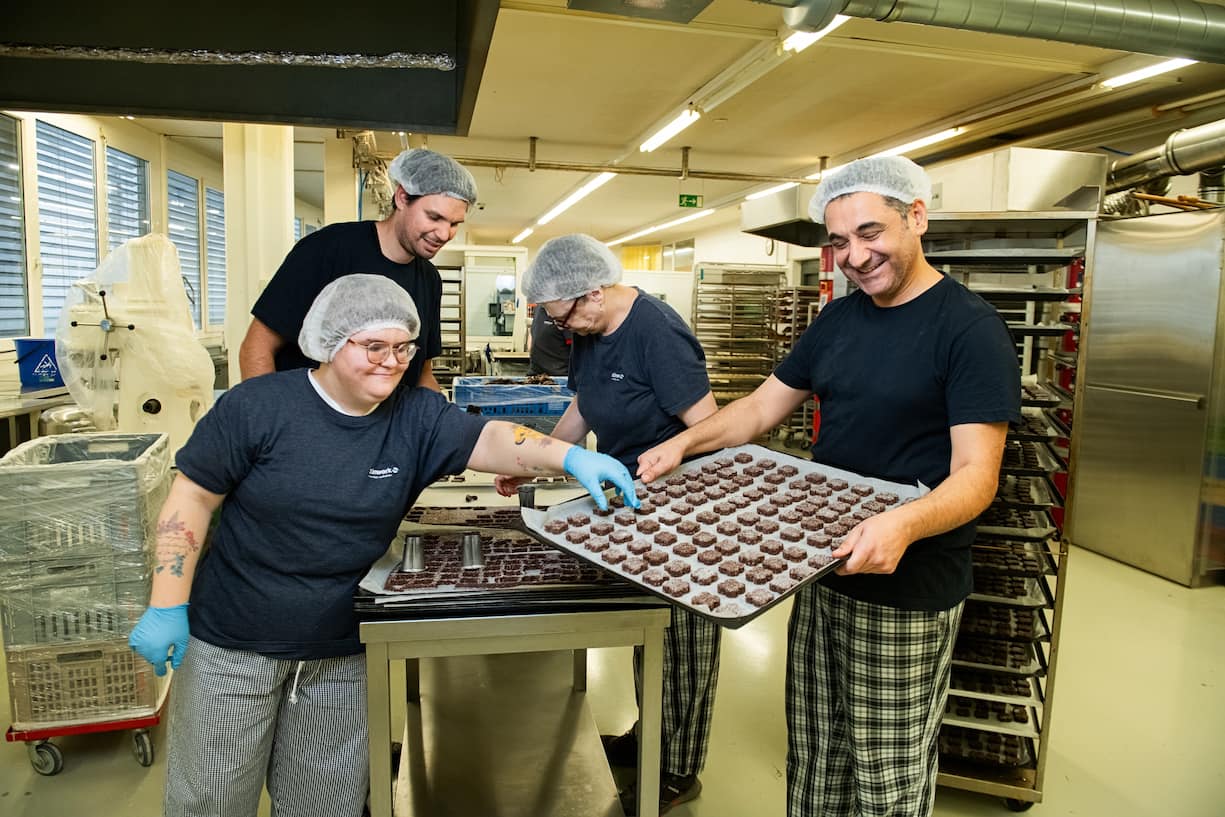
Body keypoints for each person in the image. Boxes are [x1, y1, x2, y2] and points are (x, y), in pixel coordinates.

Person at [128, 274, 638, 817]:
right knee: (211, 799)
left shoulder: (414, 416)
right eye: (373, 347)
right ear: (330, 342)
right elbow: (192, 497)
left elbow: (489, 439)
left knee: (324, 804)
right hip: (234, 645)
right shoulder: (257, 407)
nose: (390, 362)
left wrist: (567, 456)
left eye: (402, 348)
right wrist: (167, 604)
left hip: (340, 651)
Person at [637, 156, 1021, 817]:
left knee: (886, 774)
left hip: (907, 588)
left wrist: (900, 522)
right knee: (817, 754)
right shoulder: (838, 321)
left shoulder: (968, 330)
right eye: (840, 241)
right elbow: (760, 408)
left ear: (916, 217)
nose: (855, 256)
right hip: (820, 570)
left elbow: (976, 475)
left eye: (870, 232)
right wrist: (683, 442)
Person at [494, 234, 720, 816]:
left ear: (594, 293)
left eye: (564, 315)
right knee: (653, 631)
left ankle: (677, 768)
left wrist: (672, 480)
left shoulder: (657, 332)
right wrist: (537, 460)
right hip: (632, 500)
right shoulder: (589, 331)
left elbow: (711, 428)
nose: (562, 327)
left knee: (685, 642)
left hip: (681, 511)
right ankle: (652, 732)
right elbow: (584, 406)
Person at [238, 148, 477, 392]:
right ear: (402, 198)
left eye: (454, 224)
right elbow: (256, 348)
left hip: (386, 418)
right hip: (305, 412)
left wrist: (446, 414)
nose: (444, 234)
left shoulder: (429, 279)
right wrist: (268, 412)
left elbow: (422, 375)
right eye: (434, 217)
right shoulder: (327, 249)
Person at [526, 305, 572, 377]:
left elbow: (577, 348)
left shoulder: (563, 310)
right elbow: (533, 332)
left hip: (560, 376)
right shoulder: (539, 307)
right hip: (535, 374)